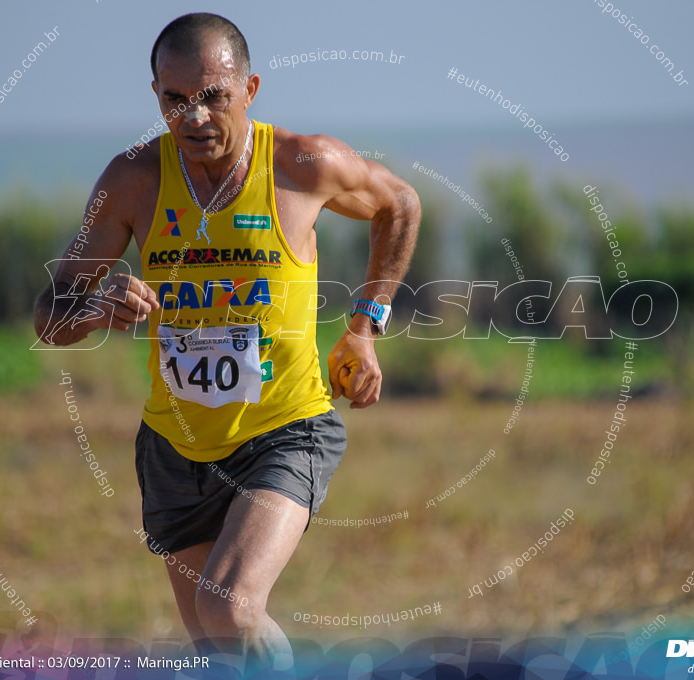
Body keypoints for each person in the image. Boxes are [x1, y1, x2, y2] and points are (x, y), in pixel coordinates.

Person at [32, 12, 420, 675]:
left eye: (213, 95)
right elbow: (49, 315)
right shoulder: (131, 179)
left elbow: (401, 204)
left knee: (231, 611)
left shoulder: (303, 163)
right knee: (217, 651)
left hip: (285, 429)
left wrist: (365, 325)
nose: (195, 116)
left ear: (251, 89)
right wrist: (94, 305)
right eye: (174, 99)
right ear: (155, 95)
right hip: (174, 446)